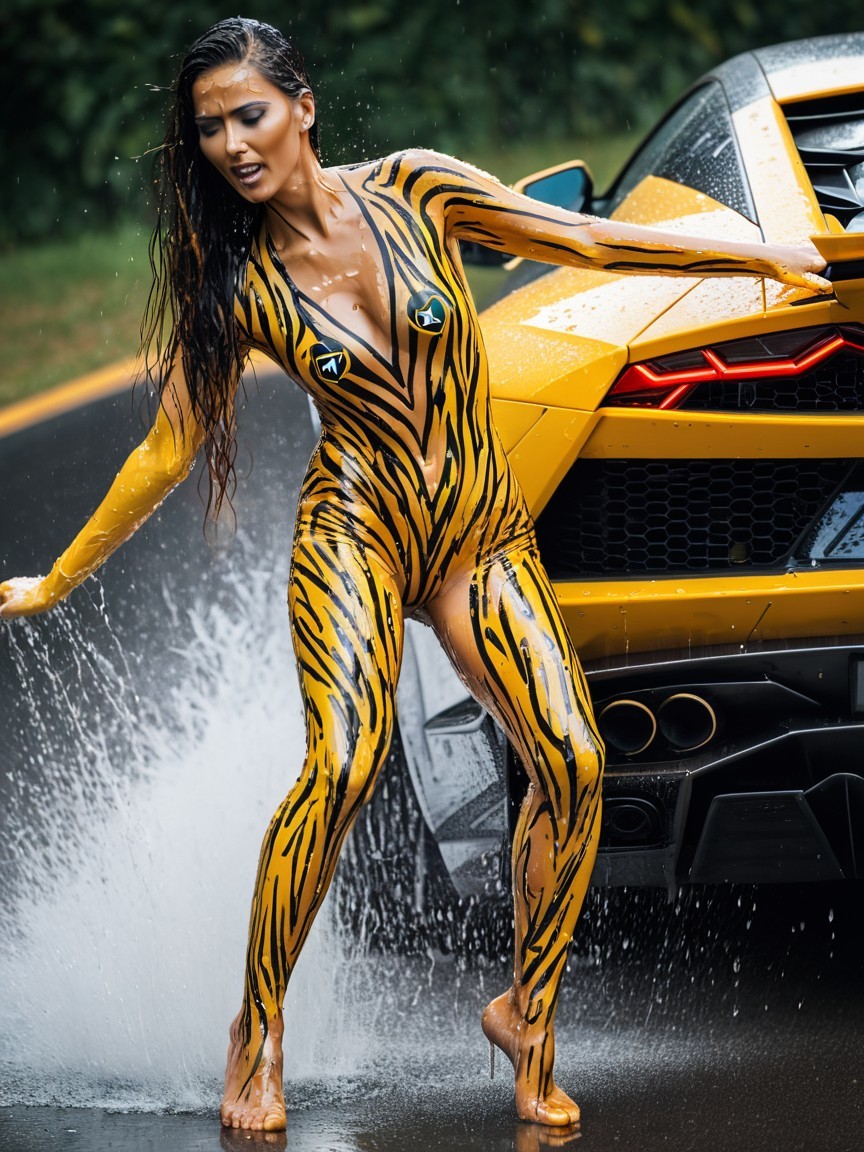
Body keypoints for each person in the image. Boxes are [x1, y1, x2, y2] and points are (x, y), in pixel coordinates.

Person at [0, 16, 829, 1135]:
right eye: (209, 129)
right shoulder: (234, 280)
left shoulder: (420, 192)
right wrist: (57, 577)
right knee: (342, 761)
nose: (234, 144)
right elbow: (168, 448)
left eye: (250, 114)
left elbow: (583, 240)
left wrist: (757, 258)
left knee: (574, 759)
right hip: (357, 527)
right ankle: (257, 1028)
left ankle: (528, 1017)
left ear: (301, 107)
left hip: (479, 533)